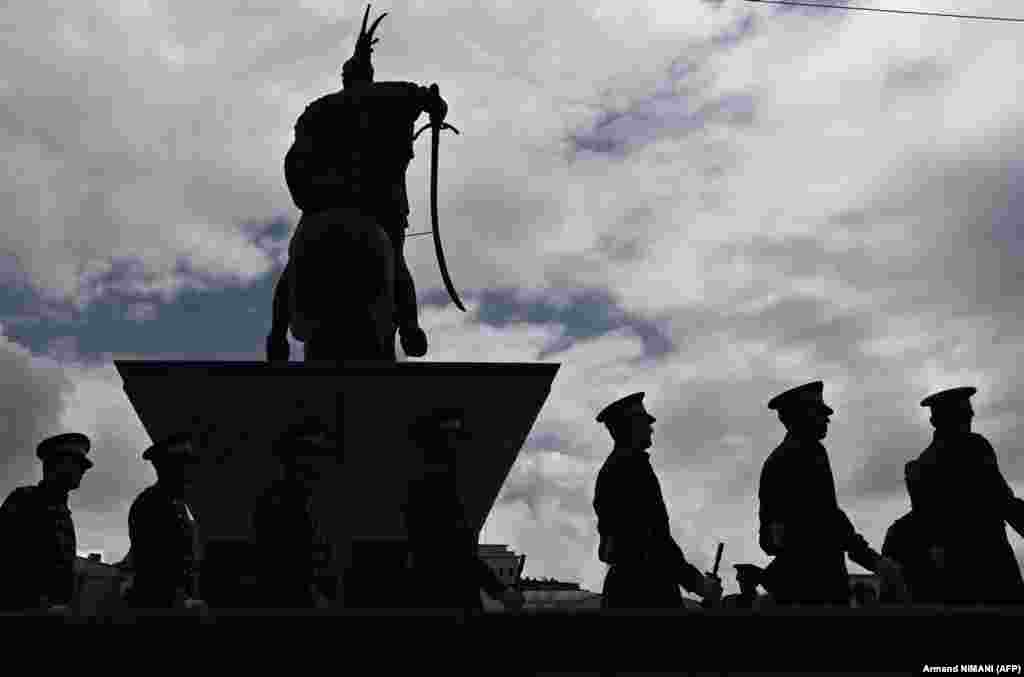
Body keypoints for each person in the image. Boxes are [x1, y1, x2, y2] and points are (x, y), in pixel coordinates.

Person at [267, 4, 448, 362]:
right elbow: (431, 101)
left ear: (346, 78)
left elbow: (297, 155)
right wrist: (435, 105)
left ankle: (276, 334)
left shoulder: (316, 109)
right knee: (394, 263)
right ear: (368, 74)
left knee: (293, 264)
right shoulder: (391, 95)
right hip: (374, 208)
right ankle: (410, 325)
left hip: (320, 206)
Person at [757, 381, 902, 606]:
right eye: (819, 413)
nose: (827, 419)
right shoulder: (807, 453)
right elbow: (828, 516)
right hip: (817, 586)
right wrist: (873, 560)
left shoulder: (777, 460)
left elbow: (768, 540)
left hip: (797, 588)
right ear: (801, 415)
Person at [592, 392, 722, 610]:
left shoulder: (616, 467)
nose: (651, 428)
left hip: (626, 587)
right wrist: (697, 583)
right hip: (645, 589)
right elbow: (653, 538)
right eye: (644, 422)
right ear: (629, 427)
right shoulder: (631, 468)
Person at [402, 408, 525, 614]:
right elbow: (454, 553)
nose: (457, 448)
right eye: (451, 440)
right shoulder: (435, 488)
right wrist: (500, 591)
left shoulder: (423, 484)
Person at [912, 387, 1024, 605]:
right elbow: (1003, 500)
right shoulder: (975, 447)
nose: (972, 416)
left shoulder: (921, 465)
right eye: (965, 412)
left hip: (953, 576)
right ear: (943, 420)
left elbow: (925, 531)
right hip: (992, 562)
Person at [0, 433, 93, 615]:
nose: (83, 471)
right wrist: (39, 604)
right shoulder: (24, 501)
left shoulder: (62, 512)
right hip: (24, 615)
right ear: (55, 465)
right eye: (77, 464)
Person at [252, 420, 338, 609]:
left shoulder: (325, 504)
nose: (313, 460)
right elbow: (279, 571)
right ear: (289, 456)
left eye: (319, 453)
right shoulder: (274, 504)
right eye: (307, 452)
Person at [124, 432, 206, 613]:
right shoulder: (151, 504)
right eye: (186, 466)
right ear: (170, 469)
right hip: (159, 608)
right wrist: (180, 602)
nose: (191, 473)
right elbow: (153, 566)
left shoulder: (175, 505)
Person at [879, 460, 941, 604]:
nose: (912, 488)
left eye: (915, 482)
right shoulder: (897, 532)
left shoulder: (896, 531)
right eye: (910, 482)